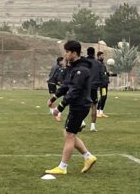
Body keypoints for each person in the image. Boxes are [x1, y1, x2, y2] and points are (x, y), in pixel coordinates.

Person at [45, 40, 97, 175]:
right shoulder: (73, 67)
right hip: (77, 105)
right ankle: (88, 157)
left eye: (67, 52)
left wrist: (60, 108)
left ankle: (62, 167)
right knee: (69, 134)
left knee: (69, 135)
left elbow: (74, 91)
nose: (65, 54)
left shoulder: (82, 70)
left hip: (80, 106)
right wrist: (53, 98)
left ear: (74, 53)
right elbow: (66, 86)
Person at [85, 47, 104, 132]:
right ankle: (92, 126)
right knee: (93, 106)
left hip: (84, 87)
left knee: (82, 105)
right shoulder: (98, 63)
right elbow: (102, 75)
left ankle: (81, 121)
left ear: (87, 53)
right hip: (94, 87)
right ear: (94, 53)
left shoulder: (83, 62)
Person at [96, 51, 113, 118]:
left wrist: (109, 74)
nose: (103, 57)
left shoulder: (102, 64)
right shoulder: (98, 63)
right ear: (98, 56)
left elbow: (104, 73)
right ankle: (97, 111)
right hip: (102, 84)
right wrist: (107, 74)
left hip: (105, 83)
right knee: (103, 97)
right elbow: (101, 74)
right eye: (102, 55)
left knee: (104, 97)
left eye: (103, 55)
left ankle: (101, 112)